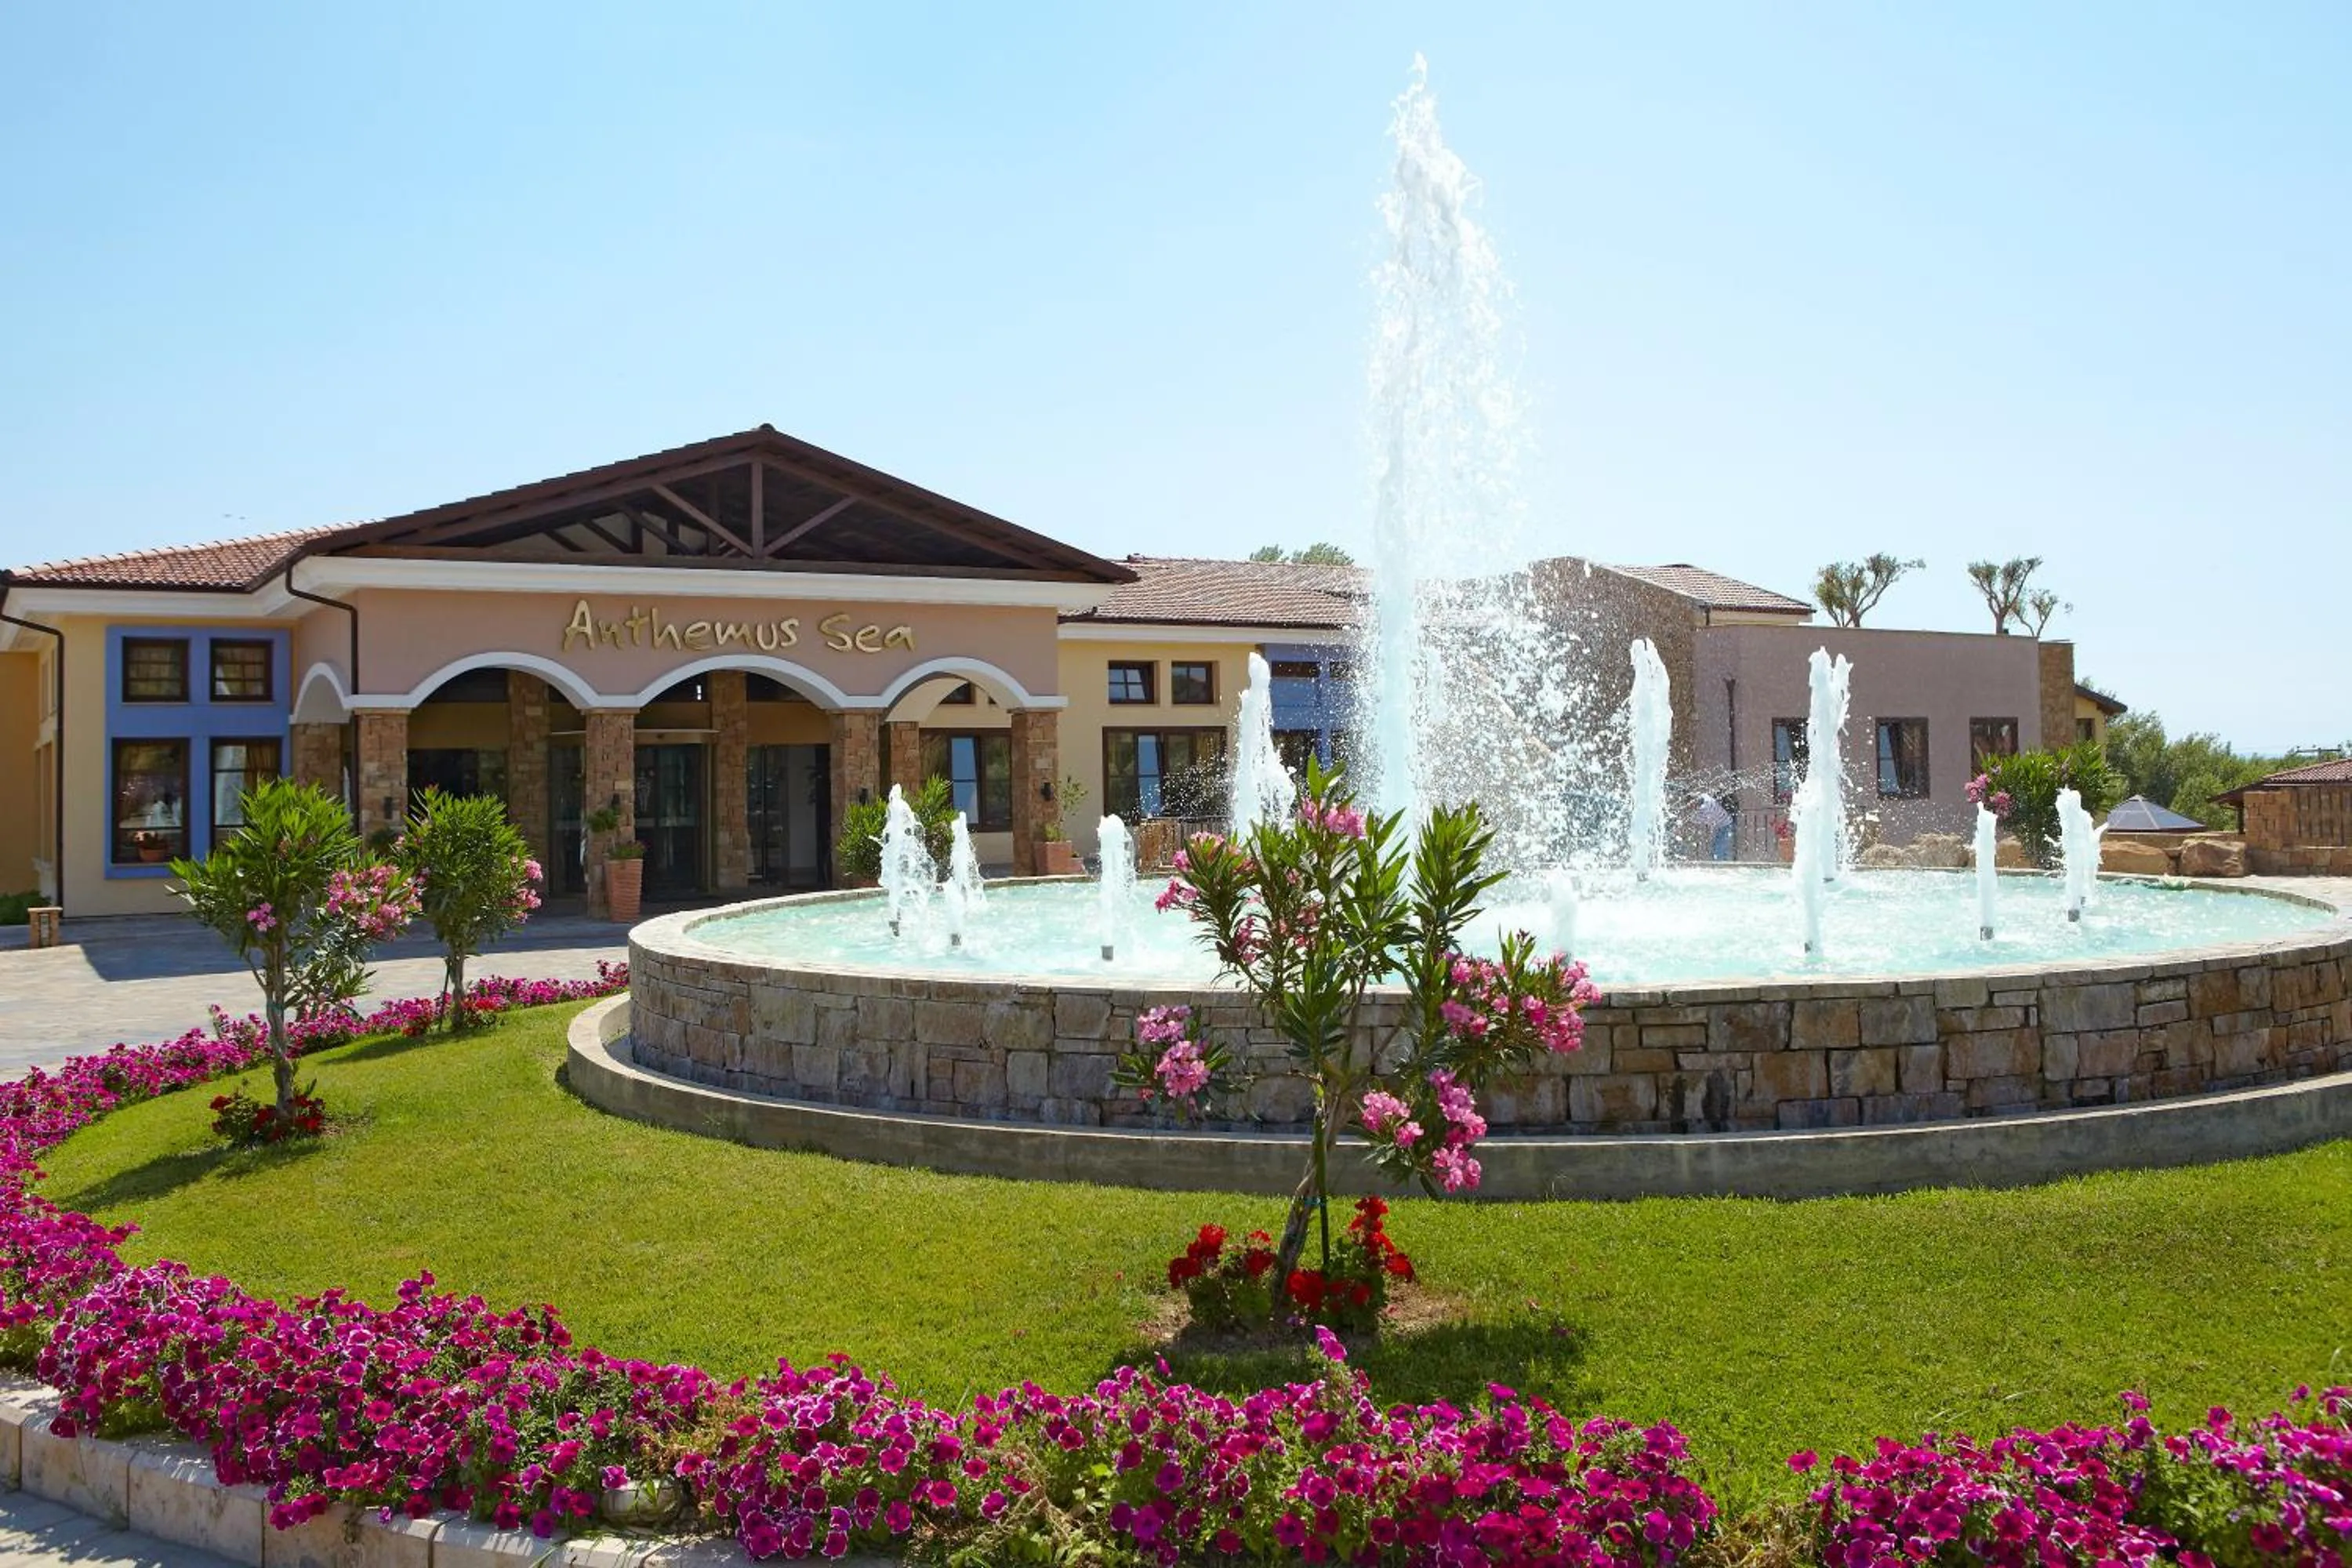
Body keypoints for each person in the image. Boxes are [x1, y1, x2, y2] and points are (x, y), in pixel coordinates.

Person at [1692, 792, 1735, 861]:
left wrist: (1688, 819)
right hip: (1724, 823)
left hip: (1726, 825)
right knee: (1722, 846)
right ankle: (1723, 862)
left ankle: (1719, 865)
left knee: (1718, 848)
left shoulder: (1706, 808)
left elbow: (1698, 820)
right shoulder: (1706, 798)